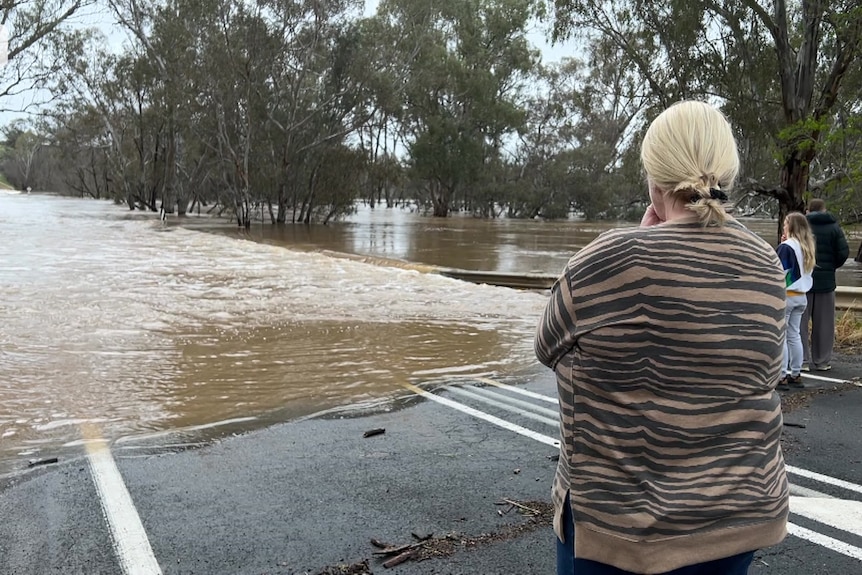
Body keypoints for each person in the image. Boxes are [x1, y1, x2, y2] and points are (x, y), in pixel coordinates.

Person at [535, 100, 788, 575]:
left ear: (654, 178)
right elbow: (763, 372)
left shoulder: (608, 258)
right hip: (736, 516)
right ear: (726, 173)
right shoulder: (766, 263)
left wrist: (639, 241)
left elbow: (547, 346)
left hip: (619, 526)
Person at [800, 198, 848, 371]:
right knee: (824, 324)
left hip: (803, 282)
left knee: (800, 324)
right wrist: (830, 267)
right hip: (826, 282)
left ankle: (802, 360)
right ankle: (822, 361)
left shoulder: (802, 227)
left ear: (808, 210)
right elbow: (843, 253)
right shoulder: (834, 228)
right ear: (824, 209)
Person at [776, 212, 815, 389]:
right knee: (795, 334)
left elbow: (780, 272)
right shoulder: (807, 247)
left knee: (782, 336)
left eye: (785, 223)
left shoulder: (786, 247)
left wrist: (781, 245)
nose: (784, 226)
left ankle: (782, 374)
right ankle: (796, 372)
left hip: (788, 295)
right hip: (802, 296)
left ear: (791, 227)